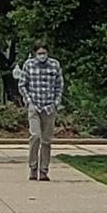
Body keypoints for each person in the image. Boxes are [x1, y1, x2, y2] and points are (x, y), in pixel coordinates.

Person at [15, 43, 65, 181]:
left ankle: (44, 170)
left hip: (49, 108)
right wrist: (29, 101)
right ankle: (33, 168)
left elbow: (59, 85)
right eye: (39, 53)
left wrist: (56, 103)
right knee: (35, 136)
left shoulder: (54, 65)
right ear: (35, 53)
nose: (42, 55)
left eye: (44, 53)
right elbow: (22, 85)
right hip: (34, 106)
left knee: (46, 140)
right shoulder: (29, 65)